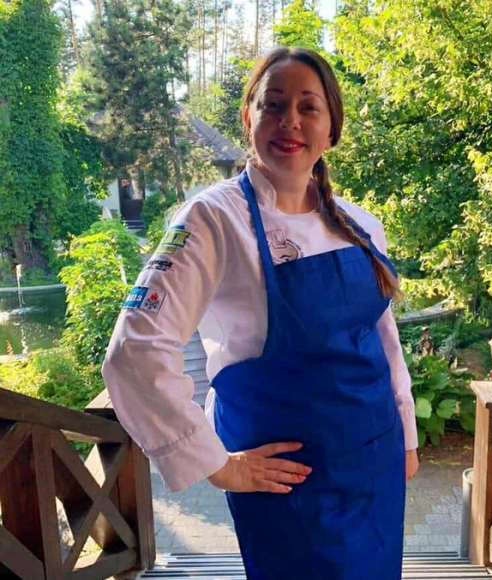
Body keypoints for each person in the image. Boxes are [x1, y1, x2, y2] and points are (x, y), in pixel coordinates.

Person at [102, 46, 419, 580]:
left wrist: (406, 434)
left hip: (374, 460)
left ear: (332, 129)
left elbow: (381, 335)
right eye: (273, 105)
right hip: (284, 480)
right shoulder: (211, 219)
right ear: (248, 119)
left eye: (308, 107)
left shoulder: (362, 225)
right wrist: (217, 463)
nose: (290, 121)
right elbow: (134, 352)